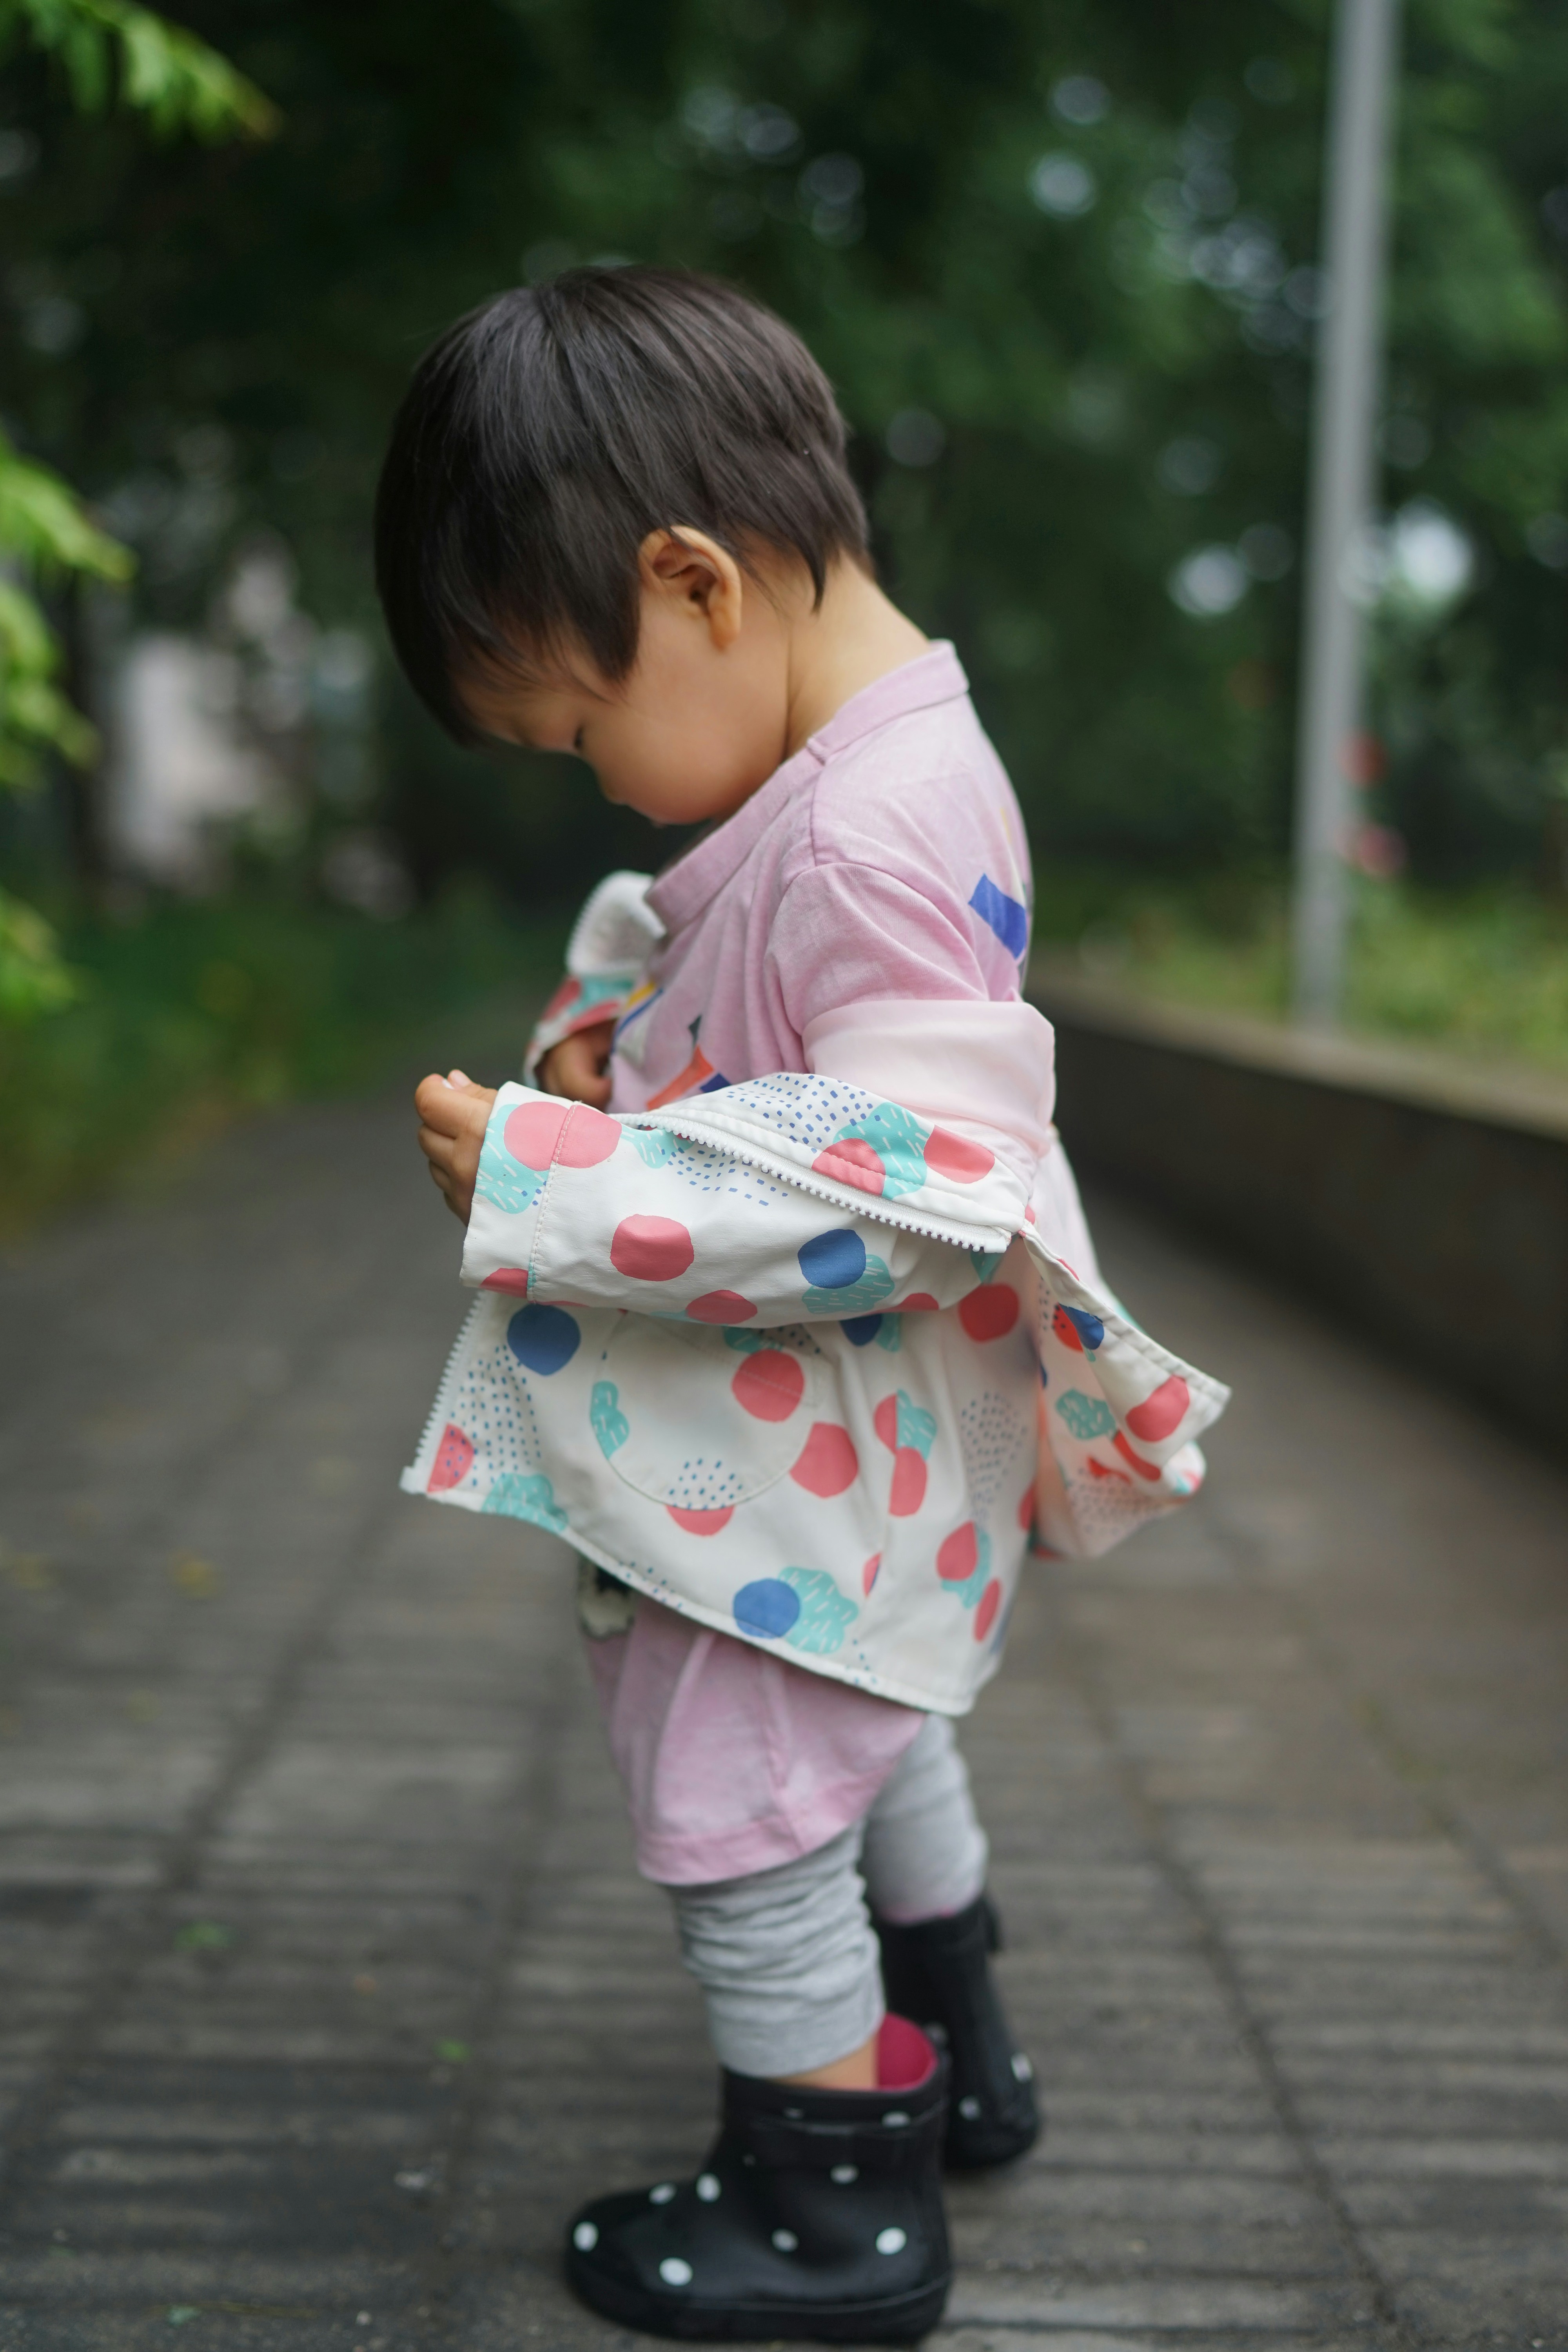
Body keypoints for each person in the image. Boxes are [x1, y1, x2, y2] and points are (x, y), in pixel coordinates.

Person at [375, 265, 1225, 2343]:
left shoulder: (853, 841)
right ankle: (961, 2053)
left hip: (794, 1459)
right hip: (873, 1463)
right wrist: (626, 1068)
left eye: (578, 721)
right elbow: (810, 1077)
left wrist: (568, 1182)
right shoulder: (903, 756)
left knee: (737, 1780)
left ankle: (831, 2202)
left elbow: (915, 1193)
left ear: (694, 585)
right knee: (866, 1708)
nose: (593, 777)